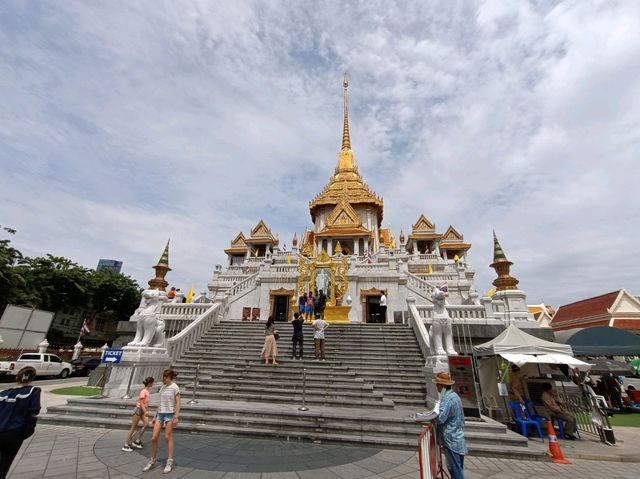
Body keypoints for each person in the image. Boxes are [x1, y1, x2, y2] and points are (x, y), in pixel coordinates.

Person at [0, 366, 41, 479]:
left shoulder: (4, 393)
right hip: (14, 432)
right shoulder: (33, 391)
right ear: (32, 378)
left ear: (17, 377)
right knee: (6, 461)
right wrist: (27, 432)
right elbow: (33, 413)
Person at [144, 370, 180, 474]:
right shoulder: (163, 387)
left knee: (167, 437)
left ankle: (169, 461)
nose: (162, 379)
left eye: (164, 377)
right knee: (154, 438)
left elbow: (178, 402)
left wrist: (176, 416)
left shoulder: (175, 387)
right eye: (163, 377)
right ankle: (152, 460)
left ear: (169, 377)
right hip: (160, 414)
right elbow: (160, 403)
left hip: (169, 414)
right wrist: (155, 416)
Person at [433, 372, 467, 479]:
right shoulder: (454, 396)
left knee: (455, 471)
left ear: (443, 385)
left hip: (452, 440)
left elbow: (441, 418)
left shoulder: (447, 398)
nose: (436, 386)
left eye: (438, 384)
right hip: (458, 438)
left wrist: (432, 416)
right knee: (458, 469)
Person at [122, 377, 155, 451]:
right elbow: (141, 402)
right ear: (150, 383)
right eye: (152, 382)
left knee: (146, 424)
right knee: (133, 427)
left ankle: (137, 441)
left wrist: (145, 410)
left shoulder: (147, 390)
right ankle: (126, 445)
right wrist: (145, 411)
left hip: (143, 410)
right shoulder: (143, 391)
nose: (153, 384)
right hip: (139, 410)